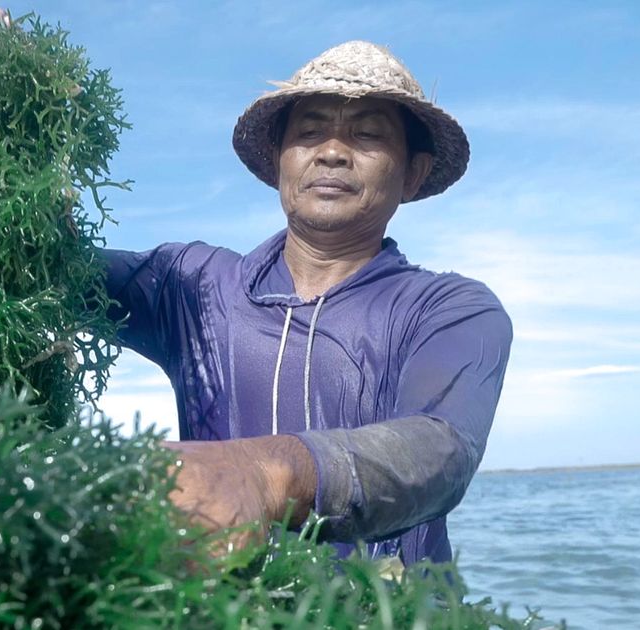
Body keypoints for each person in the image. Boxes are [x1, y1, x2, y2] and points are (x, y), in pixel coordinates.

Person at [101, 40, 512, 572]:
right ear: (278, 161)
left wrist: (267, 471)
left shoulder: (449, 309)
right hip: (222, 607)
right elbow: (41, 269)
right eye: (309, 131)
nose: (333, 151)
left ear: (413, 172)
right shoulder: (192, 286)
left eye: (367, 134)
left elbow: (441, 448)